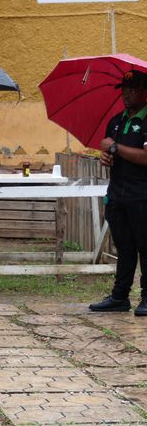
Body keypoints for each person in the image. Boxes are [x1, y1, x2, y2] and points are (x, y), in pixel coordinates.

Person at [90, 71, 147, 316]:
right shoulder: (116, 121)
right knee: (123, 247)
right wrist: (107, 157)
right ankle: (119, 296)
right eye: (124, 87)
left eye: (132, 88)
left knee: (145, 247)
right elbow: (113, 156)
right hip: (117, 194)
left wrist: (114, 147)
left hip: (142, 195)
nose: (126, 92)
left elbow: (145, 157)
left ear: (144, 91)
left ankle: (146, 297)